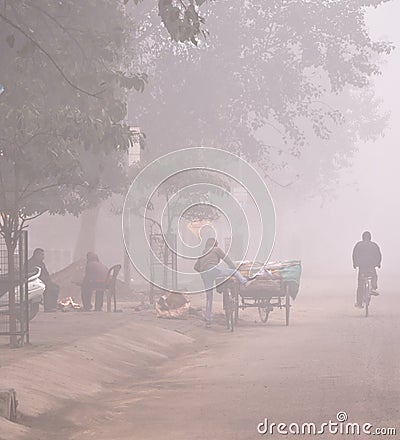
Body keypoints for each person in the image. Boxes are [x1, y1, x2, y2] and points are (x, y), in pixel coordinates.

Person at [195, 238, 254, 327]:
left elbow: (195, 267)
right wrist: (234, 267)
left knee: (209, 297)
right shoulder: (216, 249)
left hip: (205, 275)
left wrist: (203, 270)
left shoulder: (203, 254)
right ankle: (244, 282)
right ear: (215, 244)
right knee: (234, 272)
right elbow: (227, 260)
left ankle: (208, 320)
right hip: (213, 269)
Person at [352, 231, 382, 308]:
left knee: (360, 285)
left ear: (362, 237)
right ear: (370, 237)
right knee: (374, 276)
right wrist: (378, 264)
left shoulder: (358, 245)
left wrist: (355, 264)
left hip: (362, 267)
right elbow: (378, 255)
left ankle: (359, 303)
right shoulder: (374, 245)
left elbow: (354, 254)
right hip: (371, 266)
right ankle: (374, 288)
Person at [27, 248, 60, 312]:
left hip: (44, 282)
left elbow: (46, 274)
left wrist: (49, 282)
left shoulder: (42, 263)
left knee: (55, 287)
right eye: (42, 255)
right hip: (35, 283)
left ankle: (52, 306)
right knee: (49, 288)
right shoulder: (30, 263)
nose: (43, 257)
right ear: (36, 254)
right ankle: (48, 308)